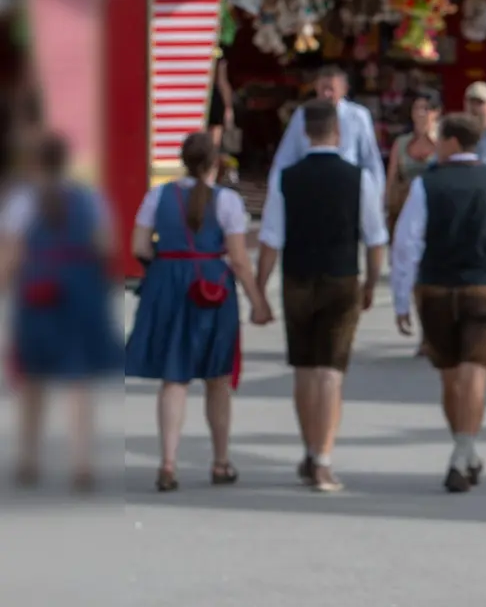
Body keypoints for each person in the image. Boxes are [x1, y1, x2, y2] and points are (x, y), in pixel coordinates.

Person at [390, 114, 486, 493]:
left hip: (436, 287)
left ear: (453, 142)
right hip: (483, 285)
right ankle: (465, 450)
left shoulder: (427, 185)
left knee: (449, 373)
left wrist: (401, 298)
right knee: (476, 370)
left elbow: (407, 245)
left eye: (441, 140)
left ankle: (462, 448)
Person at [126, 133, 272, 492]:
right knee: (217, 377)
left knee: (174, 377)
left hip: (168, 282)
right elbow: (238, 260)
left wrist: (162, 266)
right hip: (212, 284)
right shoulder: (228, 202)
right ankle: (220, 461)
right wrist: (258, 301)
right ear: (215, 162)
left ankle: (168, 462)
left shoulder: (157, 196)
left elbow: (139, 246)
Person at [256, 100, 389, 493]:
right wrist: (371, 283)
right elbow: (376, 237)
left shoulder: (286, 177)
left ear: (304, 133)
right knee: (331, 370)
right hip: (342, 275)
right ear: (339, 132)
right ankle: (325, 458)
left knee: (303, 366)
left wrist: (260, 290)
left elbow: (270, 238)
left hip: (297, 275)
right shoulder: (359, 178)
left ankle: (309, 449)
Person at [0, 134, 119, 491]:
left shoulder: (22, 200)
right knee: (78, 378)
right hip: (80, 290)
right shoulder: (90, 198)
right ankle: (82, 461)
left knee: (32, 379)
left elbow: (11, 252)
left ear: (37, 163)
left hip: (37, 289)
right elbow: (104, 245)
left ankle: (29, 459)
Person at [271, 65, 385, 201]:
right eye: (323, 88)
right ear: (316, 88)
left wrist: (376, 197)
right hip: (309, 184)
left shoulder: (358, 116)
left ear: (344, 90)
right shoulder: (303, 114)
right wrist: (275, 192)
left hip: (347, 185)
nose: (326, 94)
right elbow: (285, 157)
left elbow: (370, 159)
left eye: (331, 89)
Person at [386, 88, 443, 234]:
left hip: (435, 210)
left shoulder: (444, 144)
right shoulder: (401, 142)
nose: (420, 113)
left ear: (437, 112)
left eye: (426, 109)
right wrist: (387, 207)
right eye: (417, 108)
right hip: (405, 210)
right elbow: (392, 179)